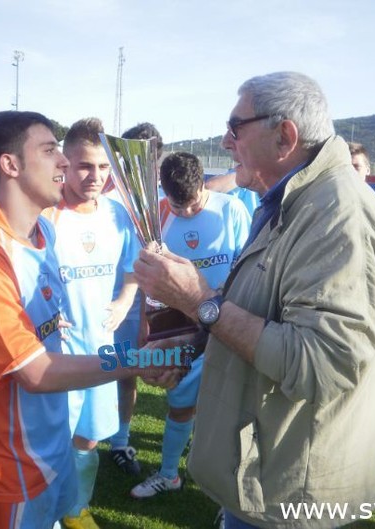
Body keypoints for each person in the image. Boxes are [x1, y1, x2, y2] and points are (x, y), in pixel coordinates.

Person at [133, 71, 375, 528]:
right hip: (264, 477)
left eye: (236, 127)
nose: (225, 139)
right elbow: (262, 310)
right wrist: (192, 342)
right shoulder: (292, 201)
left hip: (290, 494)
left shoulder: (338, 214)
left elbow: (320, 362)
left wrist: (198, 299)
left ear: (285, 136)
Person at [0, 110, 176, 529]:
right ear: (10, 165)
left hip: (50, 440)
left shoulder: (41, 233)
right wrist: (138, 361)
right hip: (9, 456)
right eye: (50, 151)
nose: (65, 163)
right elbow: (33, 373)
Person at [130, 151, 250, 499]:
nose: (184, 212)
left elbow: (246, 268)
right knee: (180, 405)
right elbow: (151, 282)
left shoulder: (231, 210)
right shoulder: (160, 219)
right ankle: (169, 474)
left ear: (202, 184)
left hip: (229, 324)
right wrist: (149, 330)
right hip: (181, 330)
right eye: (176, 205)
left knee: (231, 413)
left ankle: (228, 493)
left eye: (192, 203)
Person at [43, 117, 139, 528]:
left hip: (100, 347)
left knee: (89, 436)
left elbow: (134, 269)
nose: (95, 176)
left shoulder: (118, 215)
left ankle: (76, 509)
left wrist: (123, 299)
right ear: (65, 163)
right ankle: (45, 511)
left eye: (103, 167)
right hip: (55, 354)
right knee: (51, 439)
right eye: (85, 166)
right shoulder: (47, 214)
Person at [105, 121, 164, 476]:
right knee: (77, 372)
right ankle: (76, 441)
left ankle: (120, 442)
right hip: (96, 301)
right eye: (133, 160)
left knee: (125, 372)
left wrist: (144, 312)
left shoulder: (160, 201)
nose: (143, 168)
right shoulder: (105, 198)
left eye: (150, 160)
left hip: (135, 304)